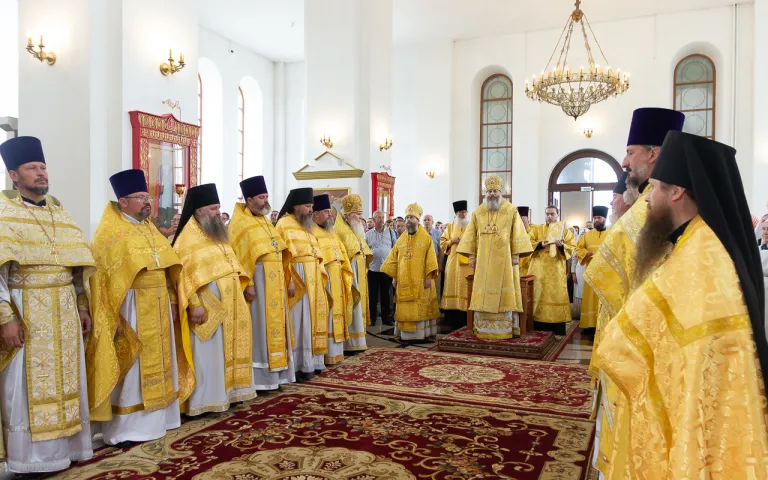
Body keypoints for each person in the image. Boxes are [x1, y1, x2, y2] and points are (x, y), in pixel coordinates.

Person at [594, 131, 768, 477]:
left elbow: (625, 343)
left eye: (656, 188)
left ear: (676, 192)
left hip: (696, 413)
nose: (647, 198)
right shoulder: (700, 240)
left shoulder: (701, 256)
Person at [583, 107, 684, 476]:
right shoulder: (647, 202)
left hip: (643, 345)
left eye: (630, 152)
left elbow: (606, 268)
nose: (625, 161)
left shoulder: (657, 206)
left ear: (653, 154)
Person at [0, 136, 96, 473]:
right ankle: (30, 460)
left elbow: (75, 268)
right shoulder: (4, 213)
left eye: (43, 167)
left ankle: (68, 450)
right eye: (32, 167)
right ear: (14, 175)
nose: (41, 173)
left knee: (69, 380)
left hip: (65, 311)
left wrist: (82, 306)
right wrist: (5, 318)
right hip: (26, 310)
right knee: (25, 385)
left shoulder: (59, 211)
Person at [88, 169, 190, 447]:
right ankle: (127, 427)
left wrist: (172, 300)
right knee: (134, 367)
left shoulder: (150, 229)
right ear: (123, 202)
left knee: (163, 361)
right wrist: (111, 316)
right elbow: (103, 281)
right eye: (141, 198)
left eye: (148, 197)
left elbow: (168, 268)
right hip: (130, 308)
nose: (147, 203)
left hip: (159, 304)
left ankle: (160, 420)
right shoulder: (110, 234)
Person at [172, 184, 255, 415]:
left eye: (218, 207)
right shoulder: (186, 238)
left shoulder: (218, 233)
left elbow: (233, 264)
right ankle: (205, 400)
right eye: (213, 208)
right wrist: (195, 305)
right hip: (209, 306)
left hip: (232, 302)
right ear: (199, 210)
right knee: (209, 353)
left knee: (229, 349)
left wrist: (245, 283)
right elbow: (183, 276)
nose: (218, 212)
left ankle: (231, 392)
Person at [229, 176, 295, 391]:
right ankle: (260, 378)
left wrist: (287, 278)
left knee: (277, 327)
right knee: (260, 328)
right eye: (261, 197)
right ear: (249, 200)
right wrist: (248, 283)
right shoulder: (240, 224)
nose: (265, 200)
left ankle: (277, 375)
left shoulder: (266, 221)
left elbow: (280, 250)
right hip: (257, 281)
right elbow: (238, 256)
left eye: (266, 196)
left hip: (275, 281)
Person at [457, 177, 533, 339]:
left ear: (501, 192)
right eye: (489, 191)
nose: (492, 194)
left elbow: (517, 234)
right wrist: (471, 256)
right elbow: (471, 236)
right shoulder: (478, 212)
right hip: (483, 260)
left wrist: (515, 255)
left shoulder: (511, 210)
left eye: (495, 191)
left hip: (505, 260)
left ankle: (505, 329)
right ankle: (483, 328)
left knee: (504, 292)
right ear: (486, 193)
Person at [276, 188, 329, 380]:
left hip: (313, 276)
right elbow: (282, 256)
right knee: (299, 321)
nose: (310, 210)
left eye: (311, 206)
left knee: (312, 319)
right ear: (295, 206)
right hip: (297, 279)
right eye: (307, 206)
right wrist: (289, 279)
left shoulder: (307, 226)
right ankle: (298, 364)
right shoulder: (283, 224)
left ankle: (312, 362)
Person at [381, 204, 439, 341]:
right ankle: (404, 334)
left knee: (421, 305)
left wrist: (428, 277)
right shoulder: (401, 239)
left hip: (421, 281)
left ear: (418, 220)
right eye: (407, 217)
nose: (408, 220)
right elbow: (394, 259)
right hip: (403, 280)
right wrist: (394, 277)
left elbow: (431, 259)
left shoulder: (426, 238)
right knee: (404, 306)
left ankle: (421, 334)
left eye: (412, 217)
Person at [311, 194, 353, 365]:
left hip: (336, 276)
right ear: (315, 214)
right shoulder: (311, 232)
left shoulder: (331, 231)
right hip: (324, 278)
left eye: (330, 211)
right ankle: (326, 353)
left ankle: (336, 353)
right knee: (326, 314)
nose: (330, 215)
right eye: (327, 211)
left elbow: (342, 254)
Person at [527, 205, 576, 335]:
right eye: (547, 214)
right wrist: (540, 244)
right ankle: (539, 328)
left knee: (557, 296)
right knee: (539, 295)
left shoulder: (564, 231)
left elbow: (572, 246)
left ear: (557, 215)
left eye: (552, 214)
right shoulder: (537, 229)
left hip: (556, 271)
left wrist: (562, 246)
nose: (549, 216)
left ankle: (557, 329)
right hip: (539, 270)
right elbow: (527, 242)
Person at [336, 194, 372, 352]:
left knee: (359, 306)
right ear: (348, 215)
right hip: (350, 274)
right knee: (353, 306)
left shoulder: (355, 230)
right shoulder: (340, 230)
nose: (360, 218)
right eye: (357, 214)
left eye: (360, 214)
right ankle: (350, 343)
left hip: (359, 273)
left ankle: (359, 340)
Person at [575, 206, 608, 329]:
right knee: (590, 299)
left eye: (599, 218)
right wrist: (585, 253)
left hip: (606, 274)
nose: (596, 220)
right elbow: (578, 248)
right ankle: (589, 325)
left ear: (604, 218)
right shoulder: (587, 235)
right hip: (591, 272)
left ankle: (603, 325)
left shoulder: (612, 233)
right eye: (595, 218)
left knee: (603, 299)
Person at [440, 201, 471, 327]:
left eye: (465, 212)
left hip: (467, 264)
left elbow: (476, 241)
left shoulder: (471, 226)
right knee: (451, 286)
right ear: (456, 214)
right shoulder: (450, 227)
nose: (463, 215)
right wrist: (451, 241)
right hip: (453, 262)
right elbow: (442, 243)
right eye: (461, 213)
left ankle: (466, 319)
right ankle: (451, 319)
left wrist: (463, 241)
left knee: (465, 287)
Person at [365, 210, 397, 326]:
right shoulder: (368, 234)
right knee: (372, 295)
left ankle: (386, 318)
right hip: (373, 269)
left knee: (386, 295)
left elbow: (395, 249)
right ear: (373, 220)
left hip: (386, 269)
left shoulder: (390, 232)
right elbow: (365, 250)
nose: (381, 219)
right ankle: (372, 318)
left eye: (382, 217)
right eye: (378, 217)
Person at [517, 206, 533, 276]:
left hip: (529, 262)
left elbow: (532, 240)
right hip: (516, 260)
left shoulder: (533, 228)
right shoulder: (514, 229)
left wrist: (526, 226)